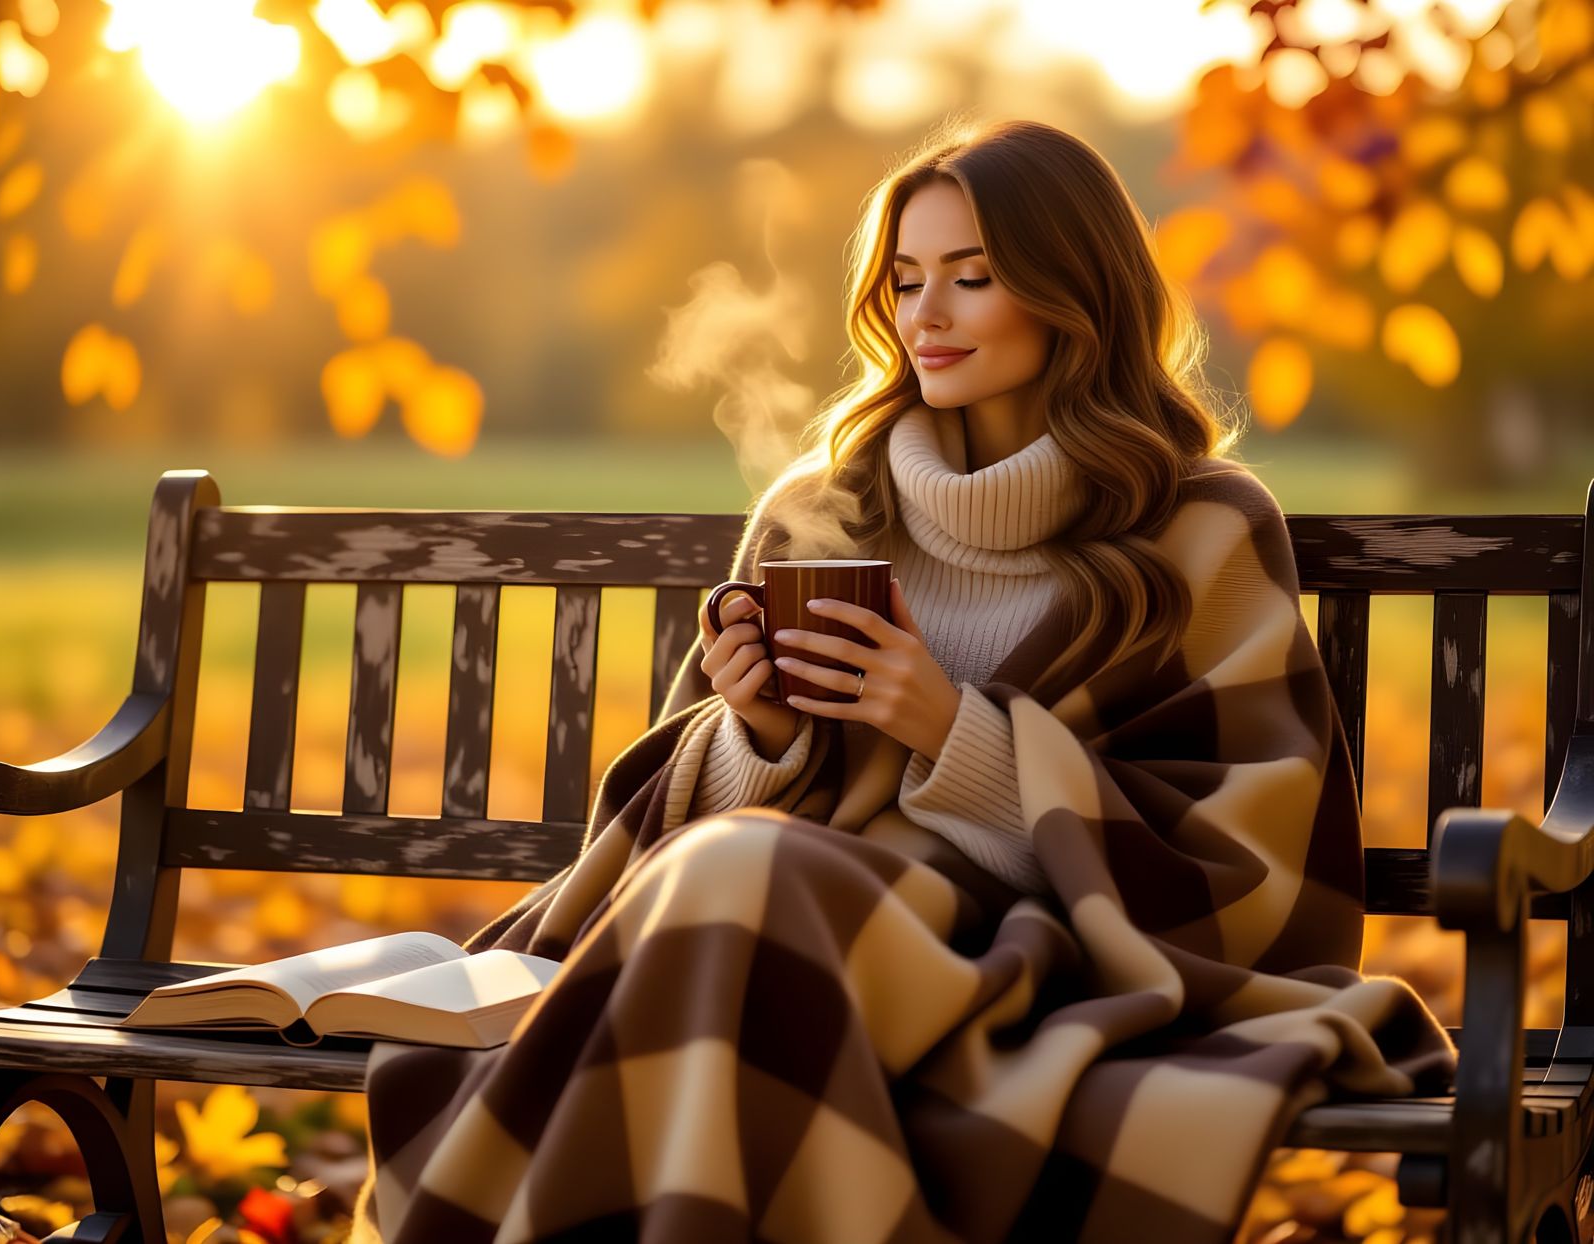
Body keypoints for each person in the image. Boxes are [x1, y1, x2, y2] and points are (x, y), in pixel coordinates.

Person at [352, 116, 1452, 1244]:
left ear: (1074, 289)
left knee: (742, 887)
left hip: (1041, 964)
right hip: (786, 917)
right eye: (905, 279)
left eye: (971, 279)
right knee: (737, 880)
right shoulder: (821, 506)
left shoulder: (1202, 526)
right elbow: (680, 825)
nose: (924, 315)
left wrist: (947, 725)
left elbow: (1241, 866)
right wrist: (759, 732)